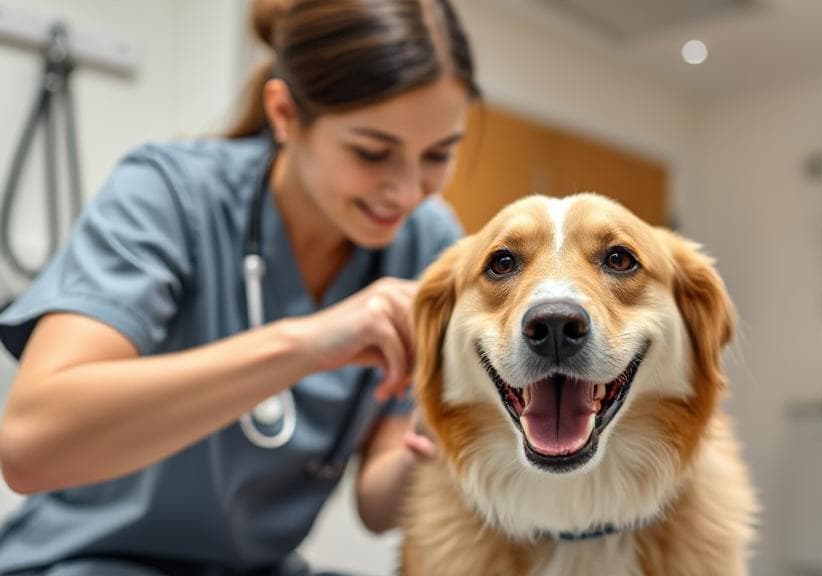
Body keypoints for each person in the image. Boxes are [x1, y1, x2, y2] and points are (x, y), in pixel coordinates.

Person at [0, 0, 479, 573]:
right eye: (371, 152)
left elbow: (378, 507)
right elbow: (31, 445)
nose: (405, 190)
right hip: (90, 559)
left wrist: (444, 437)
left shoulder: (427, 241)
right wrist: (305, 345)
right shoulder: (171, 194)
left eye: (438, 155)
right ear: (284, 113)